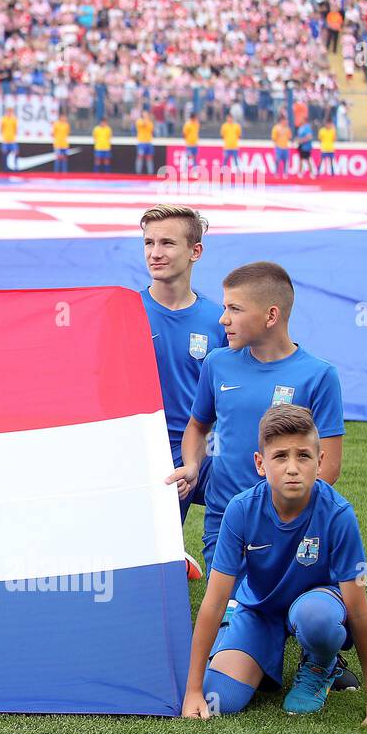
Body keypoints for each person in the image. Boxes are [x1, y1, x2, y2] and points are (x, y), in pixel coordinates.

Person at [182, 406, 367, 722]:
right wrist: (193, 689)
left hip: (317, 604)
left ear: (319, 462)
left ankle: (320, 664)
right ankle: (256, 652)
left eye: (303, 456)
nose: (292, 468)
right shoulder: (241, 509)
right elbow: (216, 600)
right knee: (220, 698)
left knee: (313, 616)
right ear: (260, 464)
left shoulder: (338, 514)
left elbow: (358, 609)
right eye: (280, 457)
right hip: (259, 609)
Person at [166, 261, 346, 652]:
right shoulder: (217, 362)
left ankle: (322, 652)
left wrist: (279, 506)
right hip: (224, 526)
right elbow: (198, 425)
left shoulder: (318, 375)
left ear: (271, 315)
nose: (223, 318)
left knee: (306, 615)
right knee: (231, 641)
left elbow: (329, 466)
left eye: (234, 309)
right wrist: (194, 466)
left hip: (290, 529)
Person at [139, 205, 227, 553]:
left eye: (167, 243)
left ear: (195, 251)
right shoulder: (127, 312)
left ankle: (236, 592)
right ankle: (173, 552)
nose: (155, 253)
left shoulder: (218, 319)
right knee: (149, 555)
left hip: (204, 449)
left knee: (251, 499)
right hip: (144, 448)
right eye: (148, 243)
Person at [135, 109, 155, 175]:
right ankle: (138, 173)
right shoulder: (139, 121)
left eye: (147, 114)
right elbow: (143, 124)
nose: (146, 115)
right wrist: (146, 119)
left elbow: (151, 130)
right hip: (141, 142)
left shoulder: (150, 122)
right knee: (140, 157)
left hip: (149, 142)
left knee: (149, 158)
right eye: (144, 113)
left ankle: (150, 173)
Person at [0, 106, 19, 170]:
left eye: (10, 111)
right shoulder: (3, 119)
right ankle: (5, 167)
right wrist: (4, 136)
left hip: (12, 139)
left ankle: (15, 167)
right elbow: (1, 129)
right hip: (5, 139)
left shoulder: (14, 119)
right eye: (8, 111)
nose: (9, 113)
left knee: (16, 152)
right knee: (4, 153)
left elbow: (15, 129)